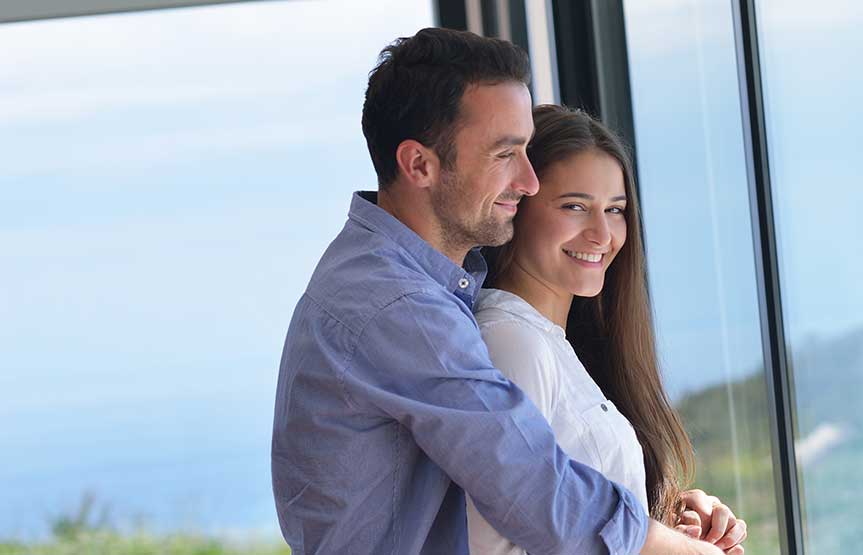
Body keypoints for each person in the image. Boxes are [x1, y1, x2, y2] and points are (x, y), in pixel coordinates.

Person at [271, 28, 724, 554]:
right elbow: (532, 487)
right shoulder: (402, 307)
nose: (529, 181)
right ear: (419, 164)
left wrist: (662, 522)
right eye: (505, 154)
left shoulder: (411, 284)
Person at [465, 105, 749, 554]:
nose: (602, 234)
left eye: (615, 210)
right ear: (516, 206)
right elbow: (490, 546)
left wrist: (666, 519)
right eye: (575, 206)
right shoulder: (511, 342)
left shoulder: (556, 344)